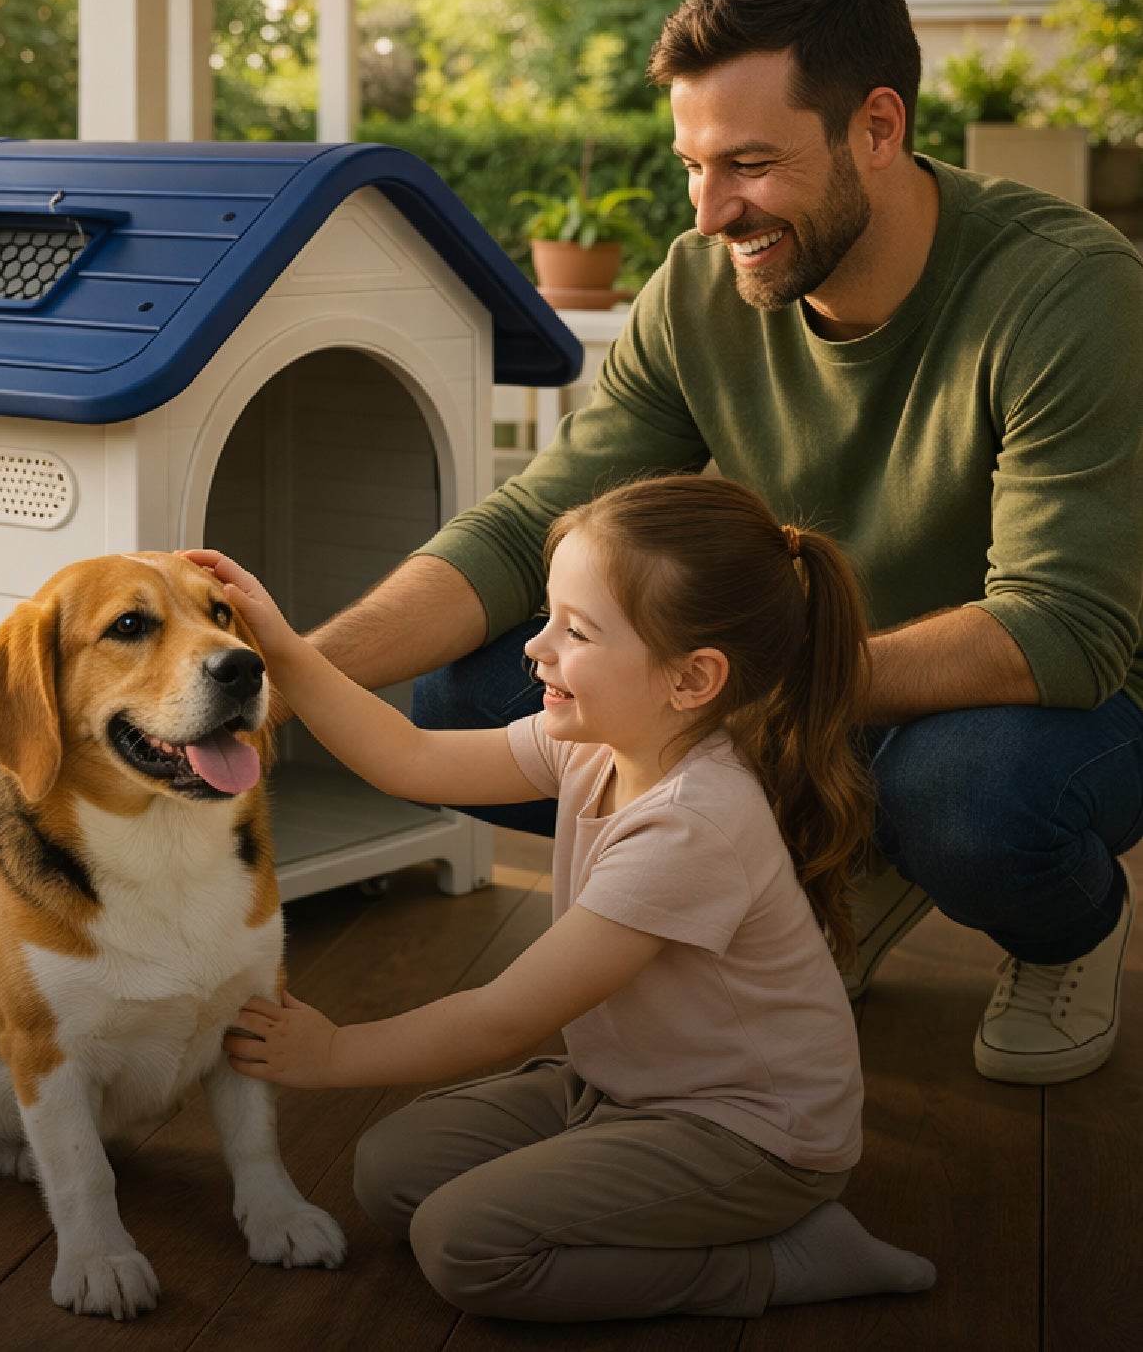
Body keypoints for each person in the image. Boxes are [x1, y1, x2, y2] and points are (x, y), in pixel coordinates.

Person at [300, 0, 1143, 1086]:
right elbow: (523, 533)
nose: (707, 213)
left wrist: (744, 695)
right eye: (694, 164)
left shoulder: (1067, 291)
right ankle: (830, 862)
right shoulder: (698, 290)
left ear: (878, 129)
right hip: (809, 677)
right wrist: (296, 679)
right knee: (466, 686)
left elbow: (1062, 627)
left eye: (749, 163)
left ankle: (1065, 931)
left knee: (961, 796)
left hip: (1055, 699)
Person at [188, 475, 935, 1323]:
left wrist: (332, 1055)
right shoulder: (596, 741)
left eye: (574, 630)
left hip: (753, 1138)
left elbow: (505, 1016)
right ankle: (612, 1176)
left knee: (462, 1246)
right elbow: (409, 757)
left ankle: (781, 1259)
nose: (536, 648)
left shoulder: (692, 827)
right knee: (389, 1174)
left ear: (691, 679)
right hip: (622, 1089)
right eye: (548, 617)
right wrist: (283, 647)